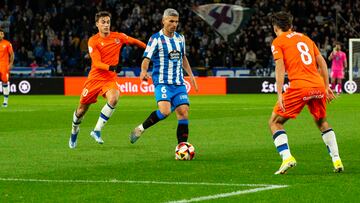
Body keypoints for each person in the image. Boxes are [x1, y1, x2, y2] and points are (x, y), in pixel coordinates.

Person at [269, 11, 343, 174]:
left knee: (274, 122)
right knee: (322, 122)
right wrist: (326, 85)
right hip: (317, 84)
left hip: (299, 86)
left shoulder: (278, 41)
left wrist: (280, 93)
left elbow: (280, 67)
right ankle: (336, 159)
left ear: (275, 27)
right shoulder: (306, 38)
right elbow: (322, 62)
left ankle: (287, 157)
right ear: (291, 25)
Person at [68, 11, 146, 148]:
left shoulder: (118, 37)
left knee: (114, 98)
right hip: (95, 79)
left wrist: (149, 49)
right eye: (103, 22)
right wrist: (112, 67)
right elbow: (97, 63)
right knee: (81, 110)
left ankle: (96, 130)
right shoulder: (93, 40)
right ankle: (74, 131)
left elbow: (135, 41)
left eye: (108, 22)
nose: (106, 25)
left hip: (109, 79)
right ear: (97, 24)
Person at [129, 8, 198, 145]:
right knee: (165, 112)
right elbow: (146, 58)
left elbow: (183, 57)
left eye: (176, 22)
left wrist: (191, 75)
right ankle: (140, 129)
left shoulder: (180, 38)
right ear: (163, 21)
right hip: (162, 83)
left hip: (178, 83)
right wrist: (143, 71)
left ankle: (182, 147)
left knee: (183, 112)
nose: (174, 24)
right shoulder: (156, 39)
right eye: (171, 21)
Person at [0, 28, 14, 107]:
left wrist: (11, 63)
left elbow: (11, 54)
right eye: (0, 33)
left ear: (3, 35)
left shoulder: (7, 43)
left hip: (4, 66)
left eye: (2, 34)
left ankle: (5, 102)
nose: (0, 35)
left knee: (5, 82)